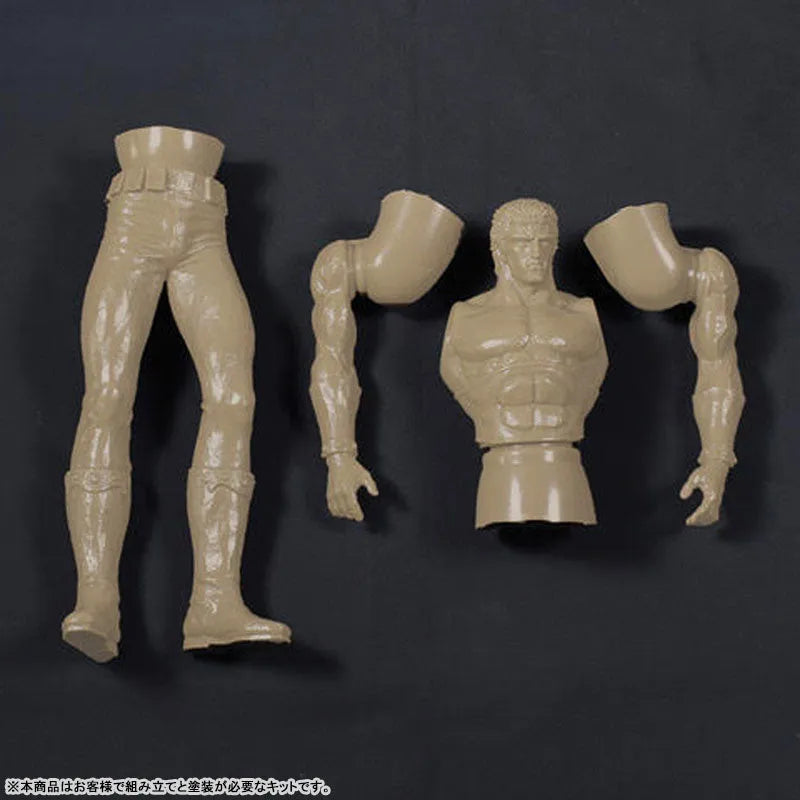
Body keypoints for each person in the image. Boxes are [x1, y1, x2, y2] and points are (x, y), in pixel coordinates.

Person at [440, 198, 608, 527]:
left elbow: (595, 372)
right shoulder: (466, 315)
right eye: (522, 242)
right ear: (500, 249)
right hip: (500, 454)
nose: (535, 252)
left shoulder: (582, 312)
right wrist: (483, 410)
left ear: (554, 247)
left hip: (564, 452)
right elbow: (452, 373)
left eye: (544, 242)